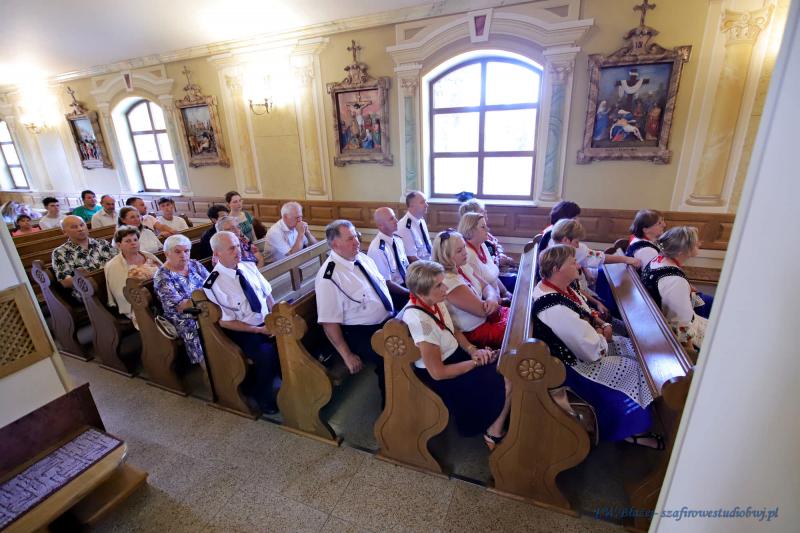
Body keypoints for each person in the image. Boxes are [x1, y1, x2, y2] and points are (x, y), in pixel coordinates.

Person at [533, 244, 660, 448]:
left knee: (633, 349)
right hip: (573, 364)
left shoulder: (561, 286)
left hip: (587, 344)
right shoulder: (554, 307)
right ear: (556, 269)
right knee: (636, 369)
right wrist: (603, 335)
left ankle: (640, 416)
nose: (578, 265)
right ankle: (631, 430)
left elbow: (584, 311)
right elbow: (590, 351)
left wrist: (602, 326)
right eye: (572, 262)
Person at [400, 260, 511, 449]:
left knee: (504, 361)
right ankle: (493, 432)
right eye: (439, 285)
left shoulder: (434, 301)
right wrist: (475, 363)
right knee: (507, 377)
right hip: (443, 375)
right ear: (421, 292)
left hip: (457, 356)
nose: (445, 288)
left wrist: (473, 350)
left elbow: (453, 330)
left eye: (443, 282)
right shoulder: (420, 321)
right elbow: (438, 373)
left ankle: (499, 415)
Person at [203, 231, 280, 414]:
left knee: (291, 338)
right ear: (217, 253)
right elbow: (225, 322)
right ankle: (262, 396)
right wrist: (258, 330)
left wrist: (275, 318)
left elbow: (268, 295)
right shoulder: (214, 284)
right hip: (243, 331)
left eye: (238, 245)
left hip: (265, 321)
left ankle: (288, 383)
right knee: (266, 353)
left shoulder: (249, 266)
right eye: (231, 248)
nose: (237, 251)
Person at [315, 220, 394, 397]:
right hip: (360, 332)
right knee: (391, 358)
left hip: (387, 320)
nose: (357, 241)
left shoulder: (362, 259)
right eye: (350, 238)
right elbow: (329, 322)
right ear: (335, 244)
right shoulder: (329, 277)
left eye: (356, 236)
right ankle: (390, 404)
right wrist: (347, 355)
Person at [431, 230, 508, 349]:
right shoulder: (448, 282)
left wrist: (492, 298)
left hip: (488, 319)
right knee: (517, 329)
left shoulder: (463, 266)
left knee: (521, 318)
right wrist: (494, 301)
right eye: (459, 250)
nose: (465, 252)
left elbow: (486, 286)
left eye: (464, 247)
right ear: (445, 256)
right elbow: (482, 311)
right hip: (476, 332)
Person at [548, 219, 640, 315]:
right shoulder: (561, 257)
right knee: (609, 310)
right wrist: (627, 259)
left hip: (578, 292)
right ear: (565, 240)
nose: (578, 245)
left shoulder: (552, 244)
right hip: (575, 297)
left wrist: (626, 259)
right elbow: (573, 288)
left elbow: (597, 258)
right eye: (576, 241)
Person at [641, 226, 710, 350]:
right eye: (695, 243)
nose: (699, 243)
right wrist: (690, 352)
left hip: (659, 321)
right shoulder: (675, 280)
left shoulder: (658, 260)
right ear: (681, 251)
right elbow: (682, 324)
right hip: (672, 336)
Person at [153, 234, 209, 366]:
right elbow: (180, 306)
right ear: (167, 254)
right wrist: (205, 297)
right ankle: (206, 366)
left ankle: (227, 356)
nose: (183, 255)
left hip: (204, 305)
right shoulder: (162, 276)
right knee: (194, 326)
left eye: (186, 251)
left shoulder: (194, 264)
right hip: (182, 316)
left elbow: (212, 284)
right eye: (177, 252)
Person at [103, 225, 162, 325]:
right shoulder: (113, 265)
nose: (133, 243)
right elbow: (119, 292)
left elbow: (165, 272)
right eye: (128, 241)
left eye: (135, 239)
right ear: (119, 244)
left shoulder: (148, 255)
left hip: (160, 293)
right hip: (137, 302)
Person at [51, 215, 117, 299]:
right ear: (65, 232)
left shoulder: (102, 243)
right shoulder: (60, 252)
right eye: (74, 227)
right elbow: (65, 282)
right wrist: (79, 278)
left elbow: (120, 262)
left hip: (112, 283)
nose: (80, 229)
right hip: (87, 293)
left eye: (82, 225)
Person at [458, 212, 511, 303]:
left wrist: (505, 292)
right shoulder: (467, 255)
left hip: (498, 297)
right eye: (483, 227)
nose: (487, 229)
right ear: (471, 230)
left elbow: (492, 277)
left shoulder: (482, 245)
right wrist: (503, 301)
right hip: (488, 304)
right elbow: (479, 290)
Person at [367, 207, 410, 309]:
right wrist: (409, 293)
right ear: (381, 225)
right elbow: (387, 283)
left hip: (406, 284)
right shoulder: (378, 249)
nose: (396, 221)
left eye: (394, 217)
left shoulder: (397, 240)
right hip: (393, 293)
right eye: (391, 219)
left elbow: (406, 266)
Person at [458, 198, 514, 268]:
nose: (485, 212)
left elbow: (496, 244)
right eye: (482, 211)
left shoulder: (485, 234)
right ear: (472, 218)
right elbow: (484, 263)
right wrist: (499, 260)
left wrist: (500, 254)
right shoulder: (473, 240)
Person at [396, 191, 432, 262]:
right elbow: (412, 257)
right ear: (411, 206)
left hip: (429, 260)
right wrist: (430, 266)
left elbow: (428, 245)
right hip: (419, 266)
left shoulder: (421, 220)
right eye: (422, 202)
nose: (426, 205)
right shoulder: (404, 227)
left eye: (425, 201)